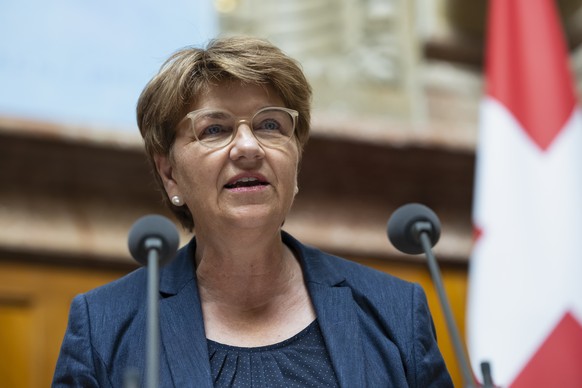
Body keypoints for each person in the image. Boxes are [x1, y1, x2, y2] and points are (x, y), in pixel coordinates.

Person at [53, 36, 453, 387]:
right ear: (170, 174)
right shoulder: (105, 325)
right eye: (214, 129)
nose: (248, 147)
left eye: (270, 126)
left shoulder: (394, 311)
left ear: (295, 160)